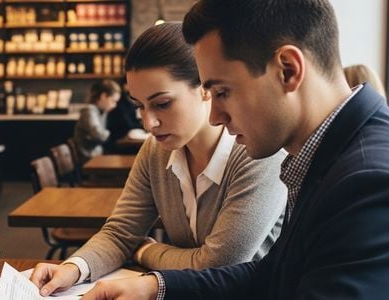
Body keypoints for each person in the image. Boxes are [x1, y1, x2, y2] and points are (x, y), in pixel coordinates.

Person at [82, 0, 389, 299]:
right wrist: (156, 286)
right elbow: (274, 274)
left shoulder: (374, 184)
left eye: (222, 92)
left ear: (288, 70)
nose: (216, 116)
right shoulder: (336, 152)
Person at [30, 23, 287, 298]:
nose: (148, 123)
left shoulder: (258, 153)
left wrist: (144, 250)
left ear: (205, 87)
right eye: (139, 106)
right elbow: (120, 232)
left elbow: (218, 266)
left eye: (162, 104)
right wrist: (73, 268)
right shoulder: (155, 150)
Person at [71, 80, 121, 163]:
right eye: (113, 101)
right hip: (87, 159)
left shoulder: (102, 111)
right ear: (103, 96)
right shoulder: (89, 111)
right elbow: (99, 135)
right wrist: (110, 133)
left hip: (96, 156)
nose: (115, 105)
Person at [104, 79, 143, 154]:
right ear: (124, 85)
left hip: (123, 140)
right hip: (116, 143)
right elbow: (128, 124)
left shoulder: (130, 102)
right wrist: (142, 125)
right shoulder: (120, 102)